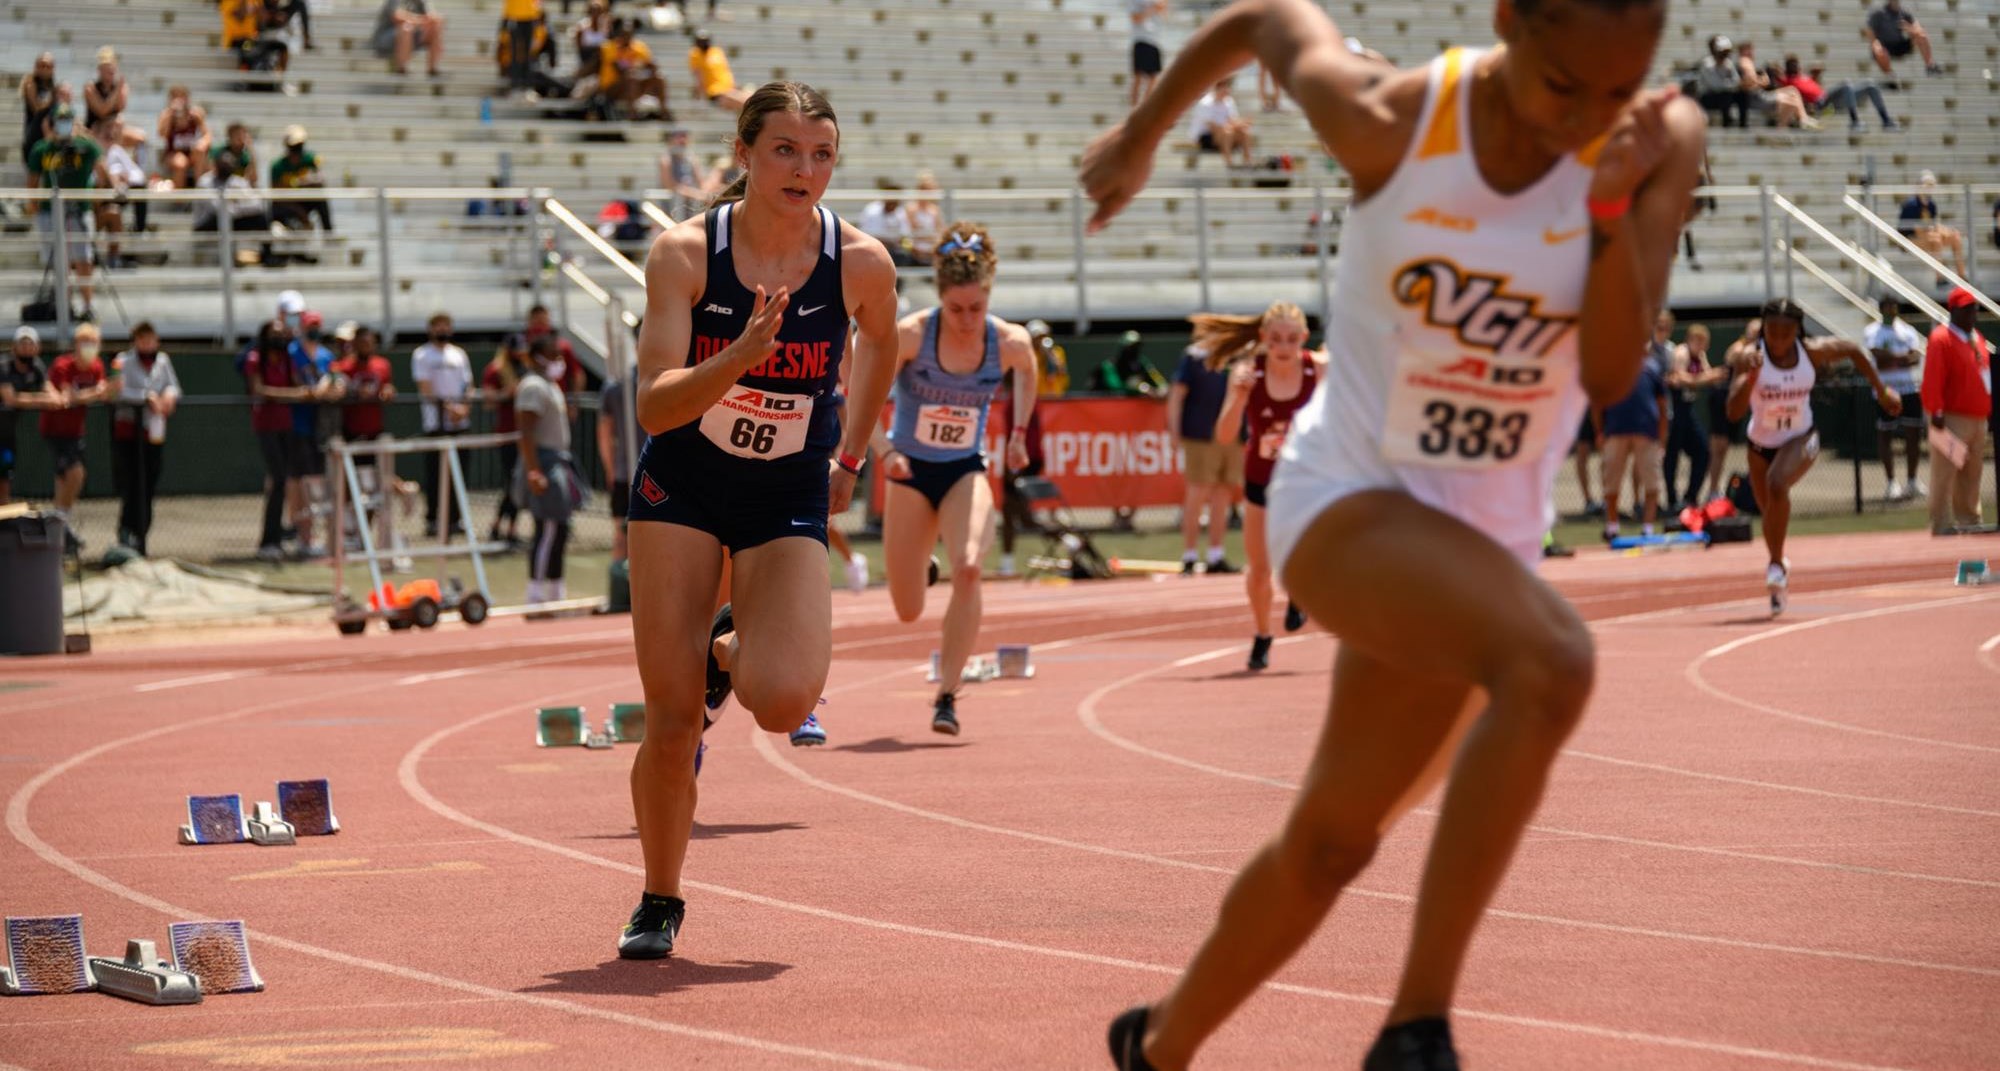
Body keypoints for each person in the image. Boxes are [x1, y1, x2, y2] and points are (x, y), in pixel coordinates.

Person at [1077, 0, 1707, 1067]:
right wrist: (1138, 139)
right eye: (1562, 88)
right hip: (1349, 499)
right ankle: (1415, 1029)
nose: (1584, 118)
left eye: (1615, 90)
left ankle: (1159, 1046)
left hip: (1481, 549)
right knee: (1552, 663)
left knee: (1329, 844)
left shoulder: (1652, 141)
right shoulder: (1390, 119)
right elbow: (1268, 21)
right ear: (1508, 24)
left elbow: (1606, 374)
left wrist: (1604, 209)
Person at [620, 81, 900, 959]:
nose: (804, 170)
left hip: (785, 490)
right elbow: (656, 407)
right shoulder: (683, 255)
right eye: (784, 150)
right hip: (684, 489)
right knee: (670, 723)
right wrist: (739, 356)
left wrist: (851, 454)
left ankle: (727, 647)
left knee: (784, 700)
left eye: (821, 155)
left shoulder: (858, 263)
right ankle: (660, 897)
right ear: (744, 155)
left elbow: (884, 343)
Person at [876, 224, 1036, 735]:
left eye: (977, 309)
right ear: (941, 298)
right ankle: (922, 563)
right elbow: (851, 377)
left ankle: (947, 694)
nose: (967, 320)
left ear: (989, 297)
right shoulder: (912, 335)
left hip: (966, 467)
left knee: (969, 567)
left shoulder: (1008, 341)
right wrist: (883, 449)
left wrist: (1018, 435)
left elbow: (1028, 372)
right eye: (957, 309)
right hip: (909, 472)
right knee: (907, 609)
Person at [1726, 298, 1900, 616]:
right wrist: (1748, 379)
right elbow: (1733, 411)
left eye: (1786, 332)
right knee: (1770, 516)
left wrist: (1882, 391)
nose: (1778, 339)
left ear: (1798, 330)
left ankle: (1775, 569)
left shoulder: (1811, 351)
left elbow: (1853, 349)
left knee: (1777, 484)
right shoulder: (1750, 359)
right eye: (1772, 331)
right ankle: (1778, 563)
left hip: (1801, 437)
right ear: (1763, 329)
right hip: (1759, 445)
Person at [1209, 302, 1321, 671]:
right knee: (1260, 569)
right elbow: (1224, 436)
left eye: (1291, 339)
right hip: (1261, 479)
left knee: (1304, 554)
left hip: (1305, 480)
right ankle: (1262, 635)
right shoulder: (1247, 373)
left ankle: (1299, 595)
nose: (1283, 347)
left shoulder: (1319, 369)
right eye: (1275, 340)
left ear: (1304, 338)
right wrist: (1239, 398)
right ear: (1263, 339)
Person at [515, 336, 584, 604]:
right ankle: (536, 594)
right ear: (534, 357)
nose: (557, 360)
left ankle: (556, 592)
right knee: (548, 529)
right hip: (544, 461)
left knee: (560, 528)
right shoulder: (533, 386)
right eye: (549, 354)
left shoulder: (550, 384)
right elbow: (526, 432)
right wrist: (534, 471)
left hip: (557, 459)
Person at [1167, 332, 1241, 575]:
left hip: (1232, 435)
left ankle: (1215, 554)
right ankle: (1189, 555)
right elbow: (1177, 394)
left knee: (1223, 494)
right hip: (1201, 434)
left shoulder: (1238, 354)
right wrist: (1174, 432)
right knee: (1197, 492)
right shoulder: (1195, 355)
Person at [1920, 288, 1990, 534]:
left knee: (1972, 473)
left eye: (1974, 308)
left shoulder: (1976, 337)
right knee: (1945, 473)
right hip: (1951, 417)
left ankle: (1970, 519)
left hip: (1977, 416)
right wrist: (1935, 410)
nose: (1973, 313)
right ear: (1954, 310)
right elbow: (1933, 377)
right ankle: (1941, 523)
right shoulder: (1942, 339)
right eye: (1968, 308)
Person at [106, 322, 179, 556]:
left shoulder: (163, 361)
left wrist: (168, 396)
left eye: (151, 339)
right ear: (135, 340)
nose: (147, 344)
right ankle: (126, 532)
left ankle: (142, 534)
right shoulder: (121, 361)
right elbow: (115, 391)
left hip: (154, 430)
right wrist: (145, 397)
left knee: (149, 481)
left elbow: (173, 386)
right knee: (131, 482)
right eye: (142, 339)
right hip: (128, 431)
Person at [26, 105, 103, 323]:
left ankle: (88, 306)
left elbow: (102, 169)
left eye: (68, 119)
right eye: (60, 119)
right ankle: (64, 305)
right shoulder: (42, 149)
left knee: (84, 258)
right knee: (59, 261)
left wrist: (84, 135)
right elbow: (32, 182)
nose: (64, 123)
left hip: (79, 210)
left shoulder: (85, 147)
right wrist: (34, 208)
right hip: (50, 212)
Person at [42, 324, 111, 552]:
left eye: (93, 342)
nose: (89, 347)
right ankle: (61, 522)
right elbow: (66, 397)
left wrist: (84, 396)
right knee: (75, 473)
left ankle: (59, 526)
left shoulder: (97, 366)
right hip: (55, 429)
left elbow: (103, 391)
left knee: (64, 480)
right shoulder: (63, 365)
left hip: (76, 430)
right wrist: (89, 395)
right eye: (85, 342)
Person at [1593, 342, 1667, 541]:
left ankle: (1648, 528)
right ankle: (1612, 526)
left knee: (1652, 481)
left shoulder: (1652, 369)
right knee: (1611, 481)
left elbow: (1662, 406)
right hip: (1615, 432)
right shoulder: (1611, 369)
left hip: (1647, 433)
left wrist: (1662, 437)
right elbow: (1598, 403)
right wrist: (1599, 431)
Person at [412, 312, 475, 538]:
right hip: (435, 424)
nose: (442, 331)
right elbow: (425, 387)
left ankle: (455, 519)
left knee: (459, 473)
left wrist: (464, 409)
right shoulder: (422, 355)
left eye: (446, 326)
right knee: (436, 474)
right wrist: (449, 409)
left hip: (460, 424)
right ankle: (433, 519)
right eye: (437, 327)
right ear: (430, 329)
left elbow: (468, 385)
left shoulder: (459, 354)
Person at [1864, 294, 1927, 501]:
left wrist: (1892, 358)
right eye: (1887, 308)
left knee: (1913, 435)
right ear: (1881, 309)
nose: (1891, 312)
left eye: (1894, 308)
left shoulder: (1907, 330)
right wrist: (1902, 358)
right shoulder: (1872, 331)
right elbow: (1878, 359)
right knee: (1885, 435)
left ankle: (1912, 480)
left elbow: (1915, 357)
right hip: (1885, 391)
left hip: (1909, 389)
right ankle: (1891, 482)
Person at [1, 327, 64, 508]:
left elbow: (50, 390)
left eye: (31, 344)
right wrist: (44, 400)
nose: (27, 348)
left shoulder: (36, 366)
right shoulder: (3, 367)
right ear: (14, 347)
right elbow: (11, 399)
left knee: (4, 477)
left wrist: (56, 397)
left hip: (6, 434)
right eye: (23, 343)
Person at [1662, 319, 1716, 509]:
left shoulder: (1699, 355)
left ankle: (1690, 498)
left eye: (1704, 342)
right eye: (1698, 341)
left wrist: (1700, 379)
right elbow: (1681, 378)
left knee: (1703, 451)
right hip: (1674, 408)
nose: (1701, 346)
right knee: (1672, 455)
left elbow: (1708, 377)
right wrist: (1701, 379)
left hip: (1688, 408)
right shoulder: (1682, 353)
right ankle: (1671, 499)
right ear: (1690, 339)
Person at [1706, 317, 1759, 502]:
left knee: (1726, 448)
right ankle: (1712, 491)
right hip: (1722, 400)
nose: (1755, 337)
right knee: (1718, 448)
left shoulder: (1757, 351)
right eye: (1753, 333)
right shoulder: (1739, 349)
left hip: (1738, 401)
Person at [1779, 54, 1897, 133]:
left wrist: (1816, 73)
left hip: (1832, 101)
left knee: (1870, 84)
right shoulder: (1787, 80)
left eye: (1795, 63)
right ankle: (1855, 122)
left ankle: (1886, 121)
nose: (1794, 66)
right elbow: (1774, 75)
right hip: (1821, 105)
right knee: (1846, 84)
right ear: (1787, 67)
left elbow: (1814, 80)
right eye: (1791, 64)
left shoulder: (1804, 77)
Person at [1897, 171, 1965, 278]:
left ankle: (1962, 276)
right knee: (1936, 239)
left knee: (1955, 236)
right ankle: (1940, 277)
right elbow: (1918, 231)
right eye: (1926, 184)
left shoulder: (1931, 204)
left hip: (1927, 236)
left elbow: (1933, 226)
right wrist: (1937, 230)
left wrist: (1945, 232)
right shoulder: (1911, 205)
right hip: (1908, 240)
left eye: (1930, 185)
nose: (1928, 188)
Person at [1733, 41, 1814, 129]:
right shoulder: (1745, 61)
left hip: (1759, 95)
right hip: (1757, 98)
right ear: (1742, 51)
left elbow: (1751, 81)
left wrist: (1762, 81)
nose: (1752, 52)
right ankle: (1782, 128)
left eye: (1751, 49)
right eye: (1749, 50)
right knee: (1791, 102)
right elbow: (1750, 81)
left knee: (1792, 90)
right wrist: (1762, 81)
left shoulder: (1746, 62)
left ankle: (1803, 118)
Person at [270, 125, 334, 234]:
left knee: (321, 201)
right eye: (294, 148)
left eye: (299, 147)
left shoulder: (310, 160)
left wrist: (302, 183)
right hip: (286, 204)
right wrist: (301, 213)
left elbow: (320, 181)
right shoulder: (278, 166)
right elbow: (277, 197)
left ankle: (329, 234)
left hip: (304, 200)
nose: (297, 152)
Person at [1188, 78, 1253, 167]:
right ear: (1217, 89)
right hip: (1205, 137)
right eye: (1224, 87)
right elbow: (1212, 127)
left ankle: (1247, 161)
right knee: (1227, 133)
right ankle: (1229, 164)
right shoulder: (1205, 103)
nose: (1226, 90)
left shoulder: (1229, 102)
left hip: (1224, 134)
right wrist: (1233, 126)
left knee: (1243, 132)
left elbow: (1232, 120)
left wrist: (1241, 124)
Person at [1865, 0, 1939, 78]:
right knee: (1878, 49)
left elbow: (1918, 29)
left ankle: (1930, 65)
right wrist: (1875, 44)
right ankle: (1889, 75)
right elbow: (1870, 32)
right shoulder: (1879, 13)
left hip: (1900, 44)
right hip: (1884, 45)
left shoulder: (1904, 13)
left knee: (1921, 35)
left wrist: (1909, 29)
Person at [155, 86, 209, 189]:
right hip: (172, 153)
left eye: (182, 97)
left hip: (191, 152)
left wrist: (203, 142)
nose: (179, 100)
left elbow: (207, 134)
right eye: (175, 97)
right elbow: (162, 135)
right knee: (181, 162)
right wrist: (171, 116)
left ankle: (200, 188)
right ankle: (179, 200)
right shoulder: (166, 115)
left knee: (200, 151)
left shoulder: (196, 114)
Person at [374, 0, 445, 77]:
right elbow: (397, 16)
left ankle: (433, 70)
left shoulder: (422, 2)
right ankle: (401, 69)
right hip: (387, 38)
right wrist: (420, 20)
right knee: (406, 27)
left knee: (435, 27)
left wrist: (434, 20)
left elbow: (431, 16)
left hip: (412, 38)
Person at [1694, 35, 1749, 128]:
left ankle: (1743, 124)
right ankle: (1726, 123)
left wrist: (1737, 85)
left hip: (1724, 95)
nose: (1725, 55)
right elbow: (1715, 86)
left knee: (1742, 94)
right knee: (1725, 95)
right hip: (1707, 97)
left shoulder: (1728, 63)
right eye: (1723, 52)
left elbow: (1736, 79)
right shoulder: (1707, 64)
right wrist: (1735, 85)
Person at [687, 31, 749, 111]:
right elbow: (698, 76)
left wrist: (734, 86)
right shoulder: (695, 55)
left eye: (705, 41)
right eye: (701, 42)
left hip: (729, 88)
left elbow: (725, 70)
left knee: (751, 98)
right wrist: (699, 93)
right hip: (716, 92)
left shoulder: (716, 51)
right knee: (749, 102)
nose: (704, 44)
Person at [19, 53, 56, 182]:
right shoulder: (31, 83)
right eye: (42, 65)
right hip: (33, 138)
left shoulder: (53, 86)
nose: (45, 69)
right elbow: (36, 108)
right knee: (34, 179)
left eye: (48, 66)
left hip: (49, 138)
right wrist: (52, 99)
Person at [658, 127, 707, 220]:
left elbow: (701, 181)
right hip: (673, 200)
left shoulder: (691, 158)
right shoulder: (666, 159)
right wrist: (692, 193)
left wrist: (702, 194)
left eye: (684, 136)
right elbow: (669, 185)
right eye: (679, 137)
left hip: (691, 197)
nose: (682, 140)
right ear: (671, 140)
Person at [1129, 0, 1169, 108]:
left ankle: (1145, 107)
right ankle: (1134, 110)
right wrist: (1152, 9)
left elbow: (1165, 15)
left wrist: (1161, 6)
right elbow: (1135, 18)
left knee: (1154, 78)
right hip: (1141, 39)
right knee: (1138, 76)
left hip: (1155, 41)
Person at [83, 47, 127, 130]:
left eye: (112, 69)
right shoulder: (90, 87)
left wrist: (119, 89)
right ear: (99, 70)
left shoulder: (121, 86)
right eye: (106, 69)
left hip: (112, 127)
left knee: (139, 135)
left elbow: (121, 107)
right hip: (95, 127)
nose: (110, 72)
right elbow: (102, 111)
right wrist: (117, 90)